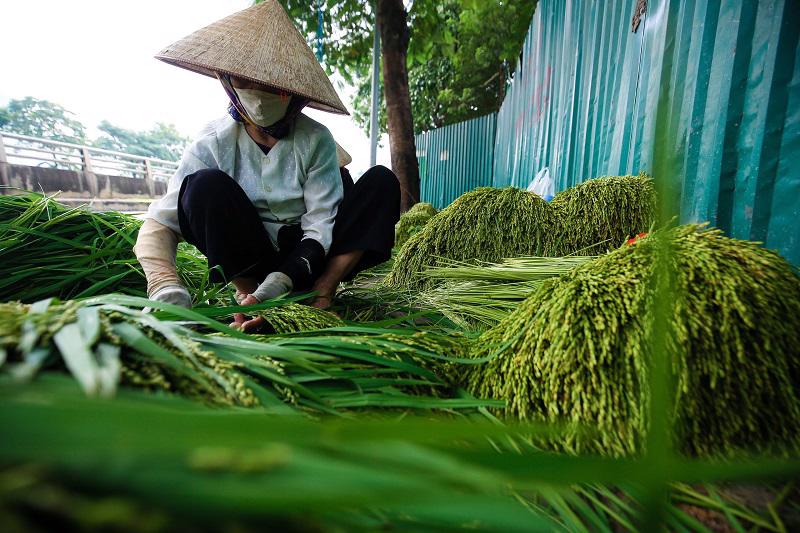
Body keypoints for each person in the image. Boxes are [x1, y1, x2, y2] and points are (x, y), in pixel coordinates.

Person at [134, 0, 400, 331]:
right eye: (247, 82)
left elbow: (320, 227)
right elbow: (161, 222)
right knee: (203, 186)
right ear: (228, 82)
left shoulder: (316, 140)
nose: (259, 95)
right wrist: (164, 285)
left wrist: (286, 280)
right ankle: (250, 300)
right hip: (251, 259)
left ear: (294, 93)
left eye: (273, 87)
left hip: (311, 258)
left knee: (381, 181)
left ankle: (321, 294)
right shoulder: (213, 142)